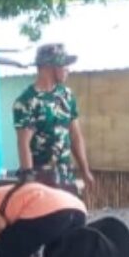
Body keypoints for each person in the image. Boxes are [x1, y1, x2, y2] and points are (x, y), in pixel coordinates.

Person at [13, 43, 93, 191]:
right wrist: (29, 181)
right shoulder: (27, 101)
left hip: (65, 176)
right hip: (41, 178)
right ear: (50, 67)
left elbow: (75, 135)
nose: (68, 70)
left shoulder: (66, 95)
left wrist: (85, 171)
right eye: (64, 65)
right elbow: (23, 144)